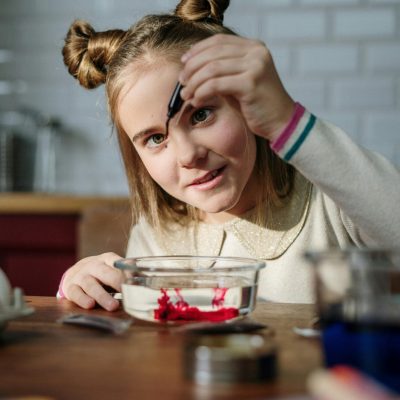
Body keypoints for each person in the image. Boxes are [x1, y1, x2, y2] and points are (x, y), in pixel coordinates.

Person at [59, 0, 400, 311]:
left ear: (247, 104)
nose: (188, 155)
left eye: (201, 115)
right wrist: (83, 290)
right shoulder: (154, 237)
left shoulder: (331, 202)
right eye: (156, 138)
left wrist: (286, 121)